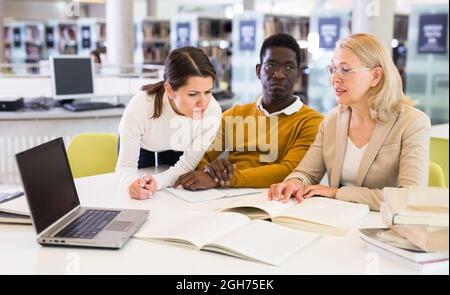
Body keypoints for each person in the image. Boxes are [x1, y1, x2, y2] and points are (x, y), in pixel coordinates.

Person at [268, 33, 431, 211]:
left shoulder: (413, 123)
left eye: (345, 69)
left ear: (375, 76)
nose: (334, 78)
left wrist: (337, 193)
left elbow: (409, 197)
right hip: (339, 220)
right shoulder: (332, 120)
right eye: (333, 68)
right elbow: (306, 173)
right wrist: (295, 181)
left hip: (384, 228)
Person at [174, 33, 323, 190]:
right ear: (258, 71)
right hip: (224, 196)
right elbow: (199, 155)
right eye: (271, 65)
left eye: (288, 67)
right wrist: (209, 170)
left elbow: (289, 171)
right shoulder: (235, 114)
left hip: (275, 200)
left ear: (298, 74)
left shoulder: (312, 121)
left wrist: (224, 180)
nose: (279, 74)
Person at [116, 46, 222, 200]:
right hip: (144, 144)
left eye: (208, 92)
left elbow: (185, 166)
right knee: (142, 189)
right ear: (170, 90)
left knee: (172, 193)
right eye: (193, 94)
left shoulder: (212, 111)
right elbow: (125, 167)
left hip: (179, 144)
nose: (203, 103)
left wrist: (158, 182)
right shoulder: (140, 107)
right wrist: (131, 184)